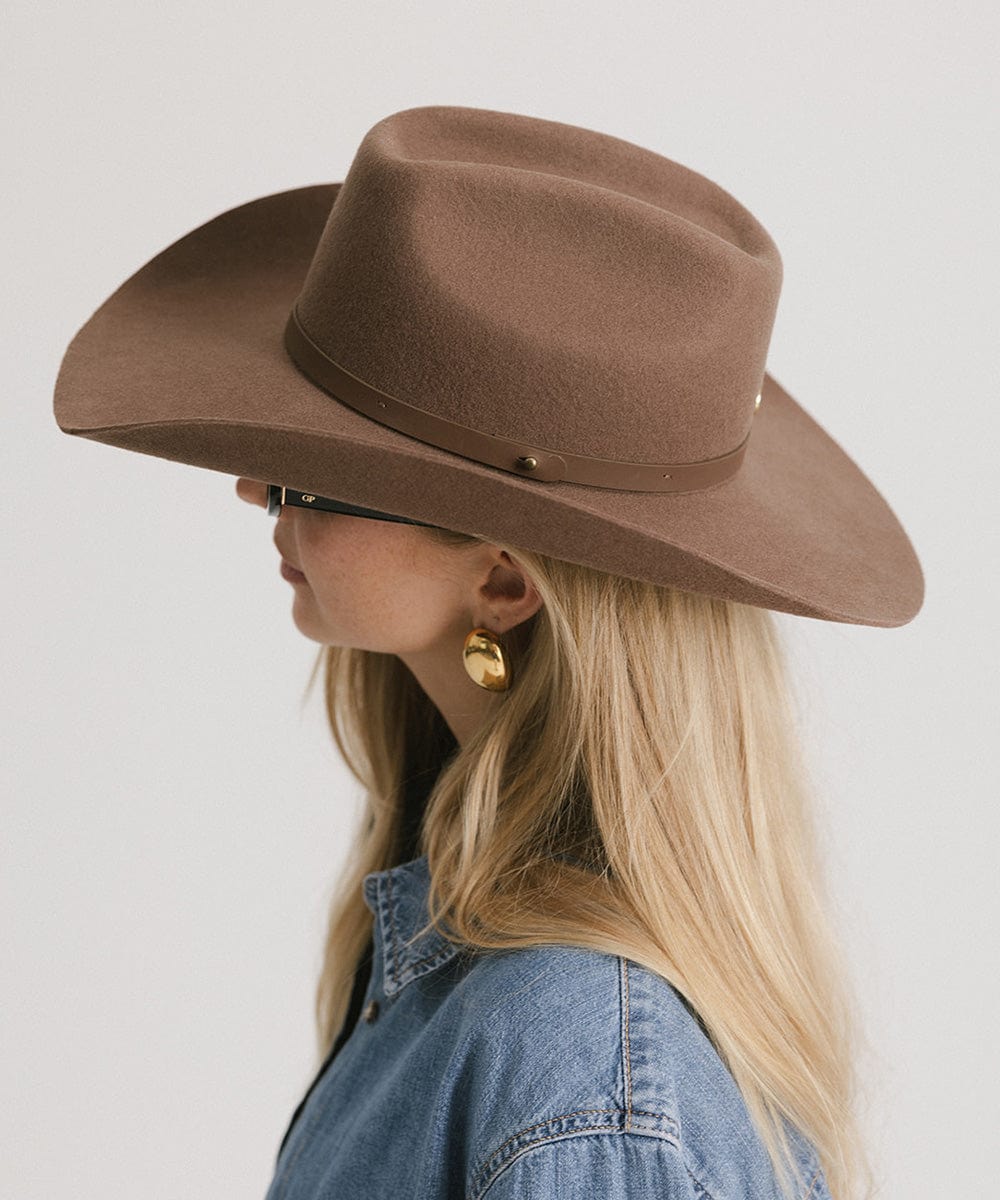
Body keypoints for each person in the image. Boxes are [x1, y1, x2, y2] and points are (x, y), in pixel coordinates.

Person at [53, 104, 924, 1200]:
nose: (249, 489)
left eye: (313, 478)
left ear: (506, 583)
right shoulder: (486, 976)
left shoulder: (582, 1085)